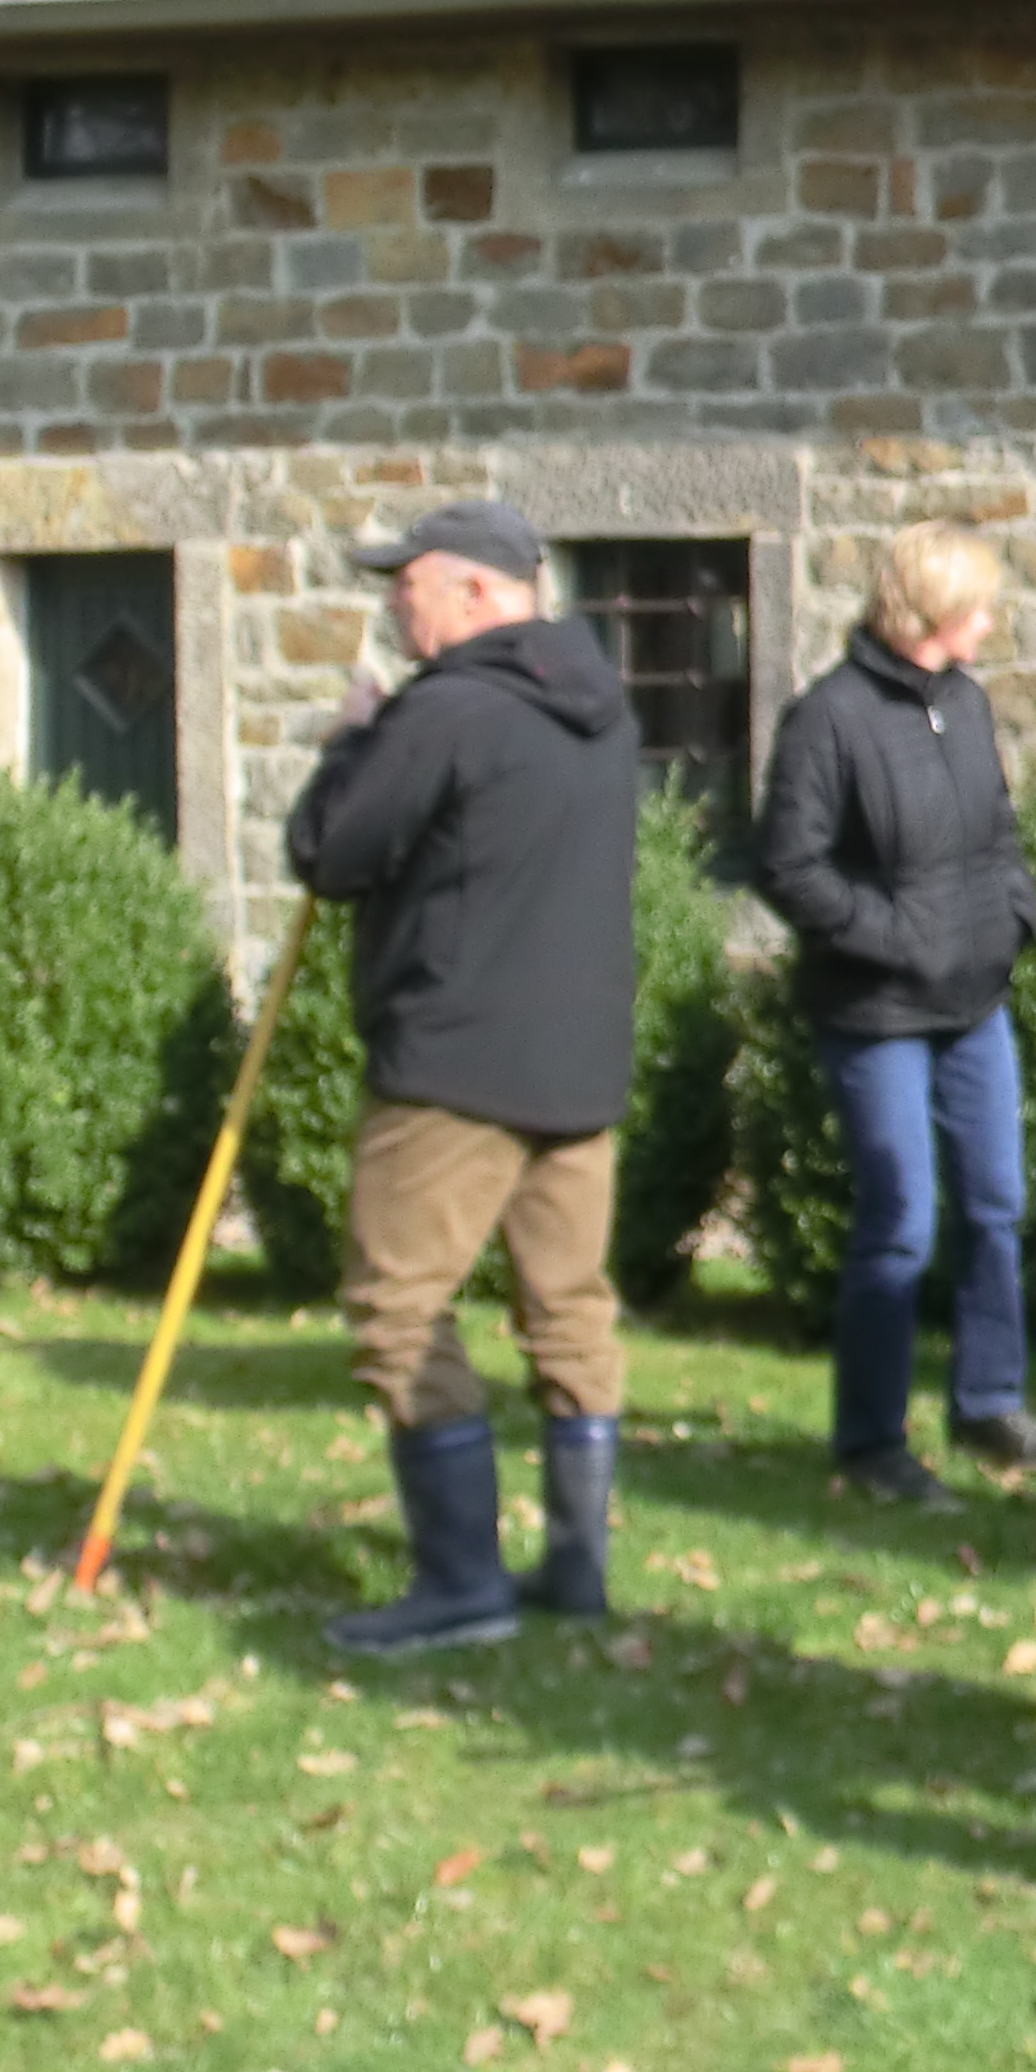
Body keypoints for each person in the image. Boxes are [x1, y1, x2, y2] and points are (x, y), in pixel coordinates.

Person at [289, 500, 647, 1656]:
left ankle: (460, 1584)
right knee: (567, 1309)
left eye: (411, 587)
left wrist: (352, 742)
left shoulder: (444, 711)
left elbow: (328, 852)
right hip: (579, 1065)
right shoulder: (605, 712)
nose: (397, 609)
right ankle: (576, 1571)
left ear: (481, 592)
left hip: (453, 1064)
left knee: (397, 1308)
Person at [757, 521, 1036, 1505]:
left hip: (976, 1006)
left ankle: (989, 1402)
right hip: (875, 1013)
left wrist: (1014, 915)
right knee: (899, 1220)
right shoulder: (828, 720)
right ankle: (871, 1442)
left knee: (994, 1205)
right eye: (979, 605)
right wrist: (896, 938)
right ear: (933, 611)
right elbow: (788, 867)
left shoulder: (964, 704)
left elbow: (997, 833)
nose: (992, 622)